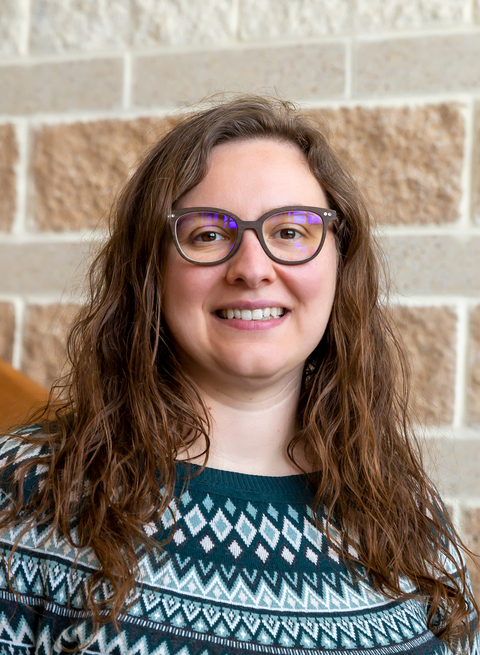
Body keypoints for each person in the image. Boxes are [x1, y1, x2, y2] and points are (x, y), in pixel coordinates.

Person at [0, 95, 478, 655]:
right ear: (149, 273)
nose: (253, 268)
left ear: (340, 266)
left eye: (292, 232)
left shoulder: (411, 527)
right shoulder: (26, 498)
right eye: (208, 234)